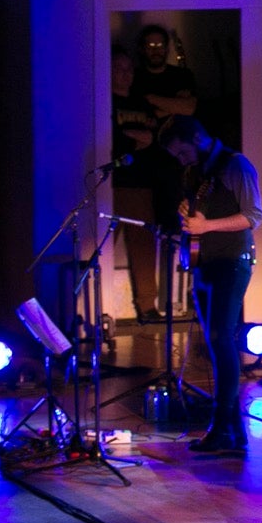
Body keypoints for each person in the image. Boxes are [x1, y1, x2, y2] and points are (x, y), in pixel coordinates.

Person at [159, 116, 262, 454]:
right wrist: (187, 218)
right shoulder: (194, 173)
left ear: (198, 137)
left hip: (232, 262)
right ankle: (232, 432)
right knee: (216, 343)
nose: (181, 160)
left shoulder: (236, 166)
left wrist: (207, 226)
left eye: (183, 151)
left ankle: (222, 428)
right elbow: (197, 221)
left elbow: (253, 216)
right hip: (204, 264)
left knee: (221, 339)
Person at [111, 44, 181, 324]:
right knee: (97, 246)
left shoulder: (142, 102)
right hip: (112, 183)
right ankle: (86, 308)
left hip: (141, 184)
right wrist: (133, 137)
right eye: (119, 69)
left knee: (143, 245)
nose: (125, 74)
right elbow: (114, 137)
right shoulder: (105, 101)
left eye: (129, 69)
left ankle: (147, 306)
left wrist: (137, 136)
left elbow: (153, 138)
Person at [132, 24, 198, 120]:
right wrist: (176, 106)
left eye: (160, 45)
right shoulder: (133, 77)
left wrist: (151, 98)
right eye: (150, 45)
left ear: (167, 48)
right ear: (142, 49)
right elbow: (141, 116)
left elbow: (188, 108)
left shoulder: (182, 75)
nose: (156, 50)